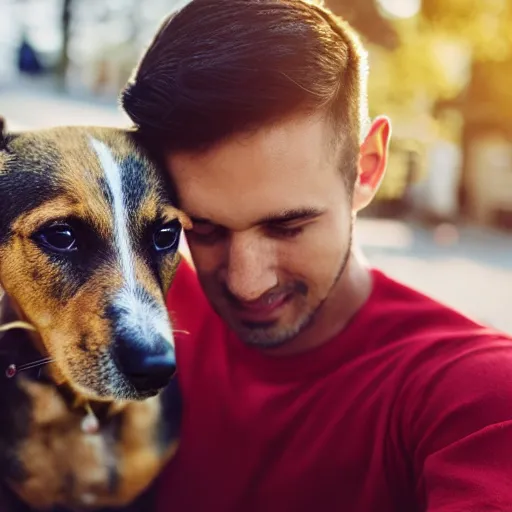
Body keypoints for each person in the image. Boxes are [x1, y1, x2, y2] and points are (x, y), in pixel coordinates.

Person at [120, 1, 512, 510]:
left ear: (367, 168)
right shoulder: (136, 311)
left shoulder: (474, 394)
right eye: (205, 230)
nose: (246, 282)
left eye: (289, 226)